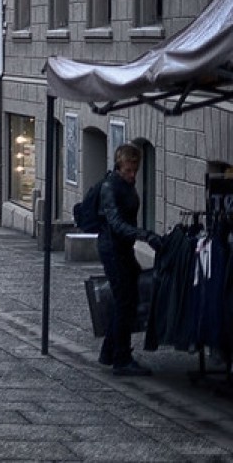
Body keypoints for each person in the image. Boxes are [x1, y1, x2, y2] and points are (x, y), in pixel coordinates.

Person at [97, 143, 162, 376]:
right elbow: (115, 223)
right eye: (128, 170)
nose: (132, 174)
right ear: (119, 165)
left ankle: (110, 351)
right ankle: (121, 358)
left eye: (135, 170)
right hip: (112, 248)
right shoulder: (110, 186)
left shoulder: (127, 185)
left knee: (128, 299)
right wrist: (144, 235)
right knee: (125, 300)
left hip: (123, 248)